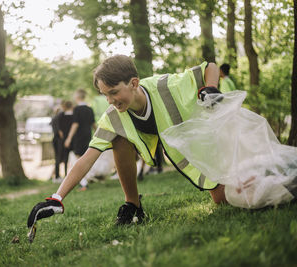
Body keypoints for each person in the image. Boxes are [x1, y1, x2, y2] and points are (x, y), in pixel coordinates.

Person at [27, 55, 225, 237]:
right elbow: (88, 157)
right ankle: (133, 204)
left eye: (113, 93)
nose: (110, 101)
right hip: (156, 139)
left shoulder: (167, 85)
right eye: (105, 95)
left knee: (223, 200)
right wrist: (57, 198)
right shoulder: (113, 116)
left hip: (200, 136)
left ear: (134, 83)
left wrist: (210, 88)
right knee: (118, 137)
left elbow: (211, 67)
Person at [64, 88, 96, 190]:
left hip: (79, 136)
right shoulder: (89, 109)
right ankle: (85, 180)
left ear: (77, 97)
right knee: (85, 158)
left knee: (78, 159)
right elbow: (94, 124)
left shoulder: (76, 109)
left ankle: (84, 183)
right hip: (88, 135)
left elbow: (75, 125)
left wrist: (69, 138)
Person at [57, 100, 74, 178]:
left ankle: (66, 174)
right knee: (74, 157)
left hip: (64, 139)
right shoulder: (74, 115)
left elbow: (59, 130)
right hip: (73, 139)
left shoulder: (60, 115)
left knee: (65, 158)